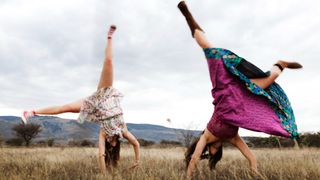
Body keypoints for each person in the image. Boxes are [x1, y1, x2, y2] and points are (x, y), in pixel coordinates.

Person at [177, 1, 302, 177]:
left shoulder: (206, 136)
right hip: (245, 97)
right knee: (268, 82)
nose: (211, 154)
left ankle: (187, 16)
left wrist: (188, 177)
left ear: (209, 148)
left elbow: (193, 159)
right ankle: (279, 65)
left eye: (210, 153)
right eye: (212, 155)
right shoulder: (231, 138)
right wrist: (254, 174)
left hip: (226, 91)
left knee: (210, 51)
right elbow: (252, 158)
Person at [21, 25, 140, 174]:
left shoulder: (103, 133)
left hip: (93, 106)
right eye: (111, 141)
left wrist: (103, 174)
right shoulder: (123, 131)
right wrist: (137, 161)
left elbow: (101, 155)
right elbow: (136, 144)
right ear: (115, 144)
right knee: (108, 62)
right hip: (106, 95)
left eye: (108, 142)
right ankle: (109, 37)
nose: (109, 140)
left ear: (110, 145)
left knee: (64, 108)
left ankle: (30, 112)